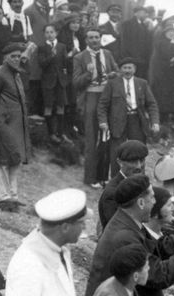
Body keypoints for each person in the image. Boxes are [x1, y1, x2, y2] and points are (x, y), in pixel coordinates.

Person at [0, 43, 31, 212]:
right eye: (13, 56)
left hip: (16, 125)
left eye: (18, 56)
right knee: (2, 161)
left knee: (15, 159)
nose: (16, 59)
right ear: (5, 57)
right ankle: (4, 197)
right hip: (3, 125)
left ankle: (13, 196)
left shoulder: (16, 74)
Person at [98, 57, 159, 176]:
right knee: (117, 153)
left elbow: (152, 104)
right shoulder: (112, 84)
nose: (127, 71)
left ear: (134, 69)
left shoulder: (142, 83)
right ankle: (116, 182)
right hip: (117, 122)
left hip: (137, 121)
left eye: (130, 68)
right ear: (120, 70)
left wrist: (155, 122)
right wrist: (103, 122)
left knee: (138, 152)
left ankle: (138, 181)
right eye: (124, 68)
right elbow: (102, 104)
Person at [73, 27, 118, 187]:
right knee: (92, 139)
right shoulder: (80, 57)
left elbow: (117, 72)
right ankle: (91, 178)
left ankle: (104, 176)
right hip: (91, 96)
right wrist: (88, 74)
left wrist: (113, 75)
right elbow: (76, 83)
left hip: (107, 97)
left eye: (97, 37)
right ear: (86, 40)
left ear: (100, 38)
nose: (94, 40)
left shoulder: (107, 54)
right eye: (91, 38)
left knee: (107, 137)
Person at [98, 140, 148, 230]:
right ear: (119, 162)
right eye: (133, 161)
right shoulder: (112, 193)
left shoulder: (141, 185)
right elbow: (117, 229)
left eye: (142, 160)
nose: (139, 166)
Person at [38, 24, 69, 144]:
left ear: (56, 33)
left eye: (51, 32)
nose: (49, 34)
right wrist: (51, 55)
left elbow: (65, 64)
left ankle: (60, 133)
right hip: (48, 81)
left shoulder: (62, 46)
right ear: (44, 34)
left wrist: (65, 78)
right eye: (47, 32)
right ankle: (51, 134)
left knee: (61, 105)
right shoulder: (42, 47)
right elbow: (41, 64)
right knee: (48, 106)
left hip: (60, 81)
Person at [119, 5, 151, 79]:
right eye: (142, 13)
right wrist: (128, 58)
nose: (145, 15)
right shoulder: (127, 24)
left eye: (145, 13)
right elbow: (124, 42)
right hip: (131, 59)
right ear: (136, 13)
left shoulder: (143, 25)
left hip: (142, 60)